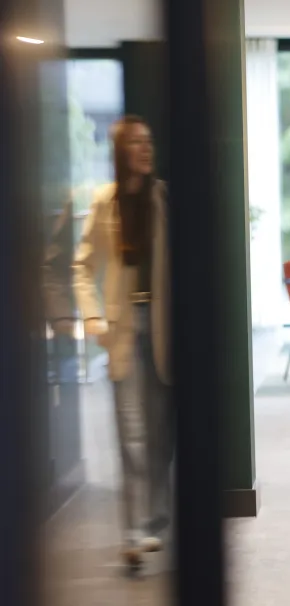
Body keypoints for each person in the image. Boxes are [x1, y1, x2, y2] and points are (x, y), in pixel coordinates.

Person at [73, 116, 173, 573]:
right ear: (120, 150)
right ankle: (133, 531)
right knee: (130, 431)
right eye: (136, 142)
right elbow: (82, 265)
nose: (145, 148)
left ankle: (152, 515)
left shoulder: (161, 198)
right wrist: (91, 315)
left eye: (148, 141)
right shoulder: (104, 202)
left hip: (162, 326)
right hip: (123, 327)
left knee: (157, 435)